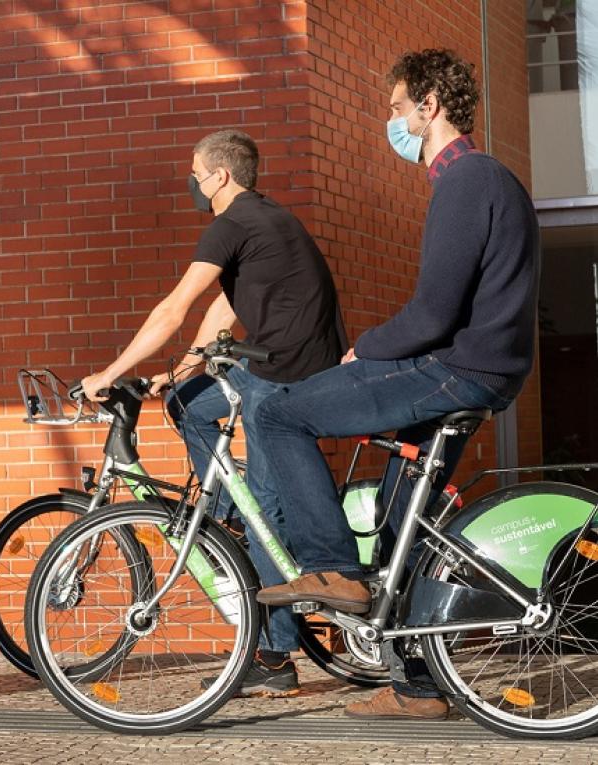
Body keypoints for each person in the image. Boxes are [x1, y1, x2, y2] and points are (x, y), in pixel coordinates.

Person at [252, 49, 541, 719]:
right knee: (397, 527)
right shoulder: (490, 179)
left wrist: (364, 351)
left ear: (428, 107)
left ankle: (334, 569)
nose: (392, 120)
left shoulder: (467, 181)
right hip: (482, 368)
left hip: (459, 368)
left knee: (279, 415)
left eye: (395, 107)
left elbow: (432, 314)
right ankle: (417, 686)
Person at [81, 129, 347, 698]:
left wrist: (109, 373)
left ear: (220, 175)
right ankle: (224, 504)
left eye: (196, 174)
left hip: (284, 384)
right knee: (187, 403)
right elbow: (223, 311)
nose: (194, 184)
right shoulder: (267, 222)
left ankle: (274, 657)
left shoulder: (232, 223)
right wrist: (179, 374)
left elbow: (175, 308)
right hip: (285, 370)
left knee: (263, 516)